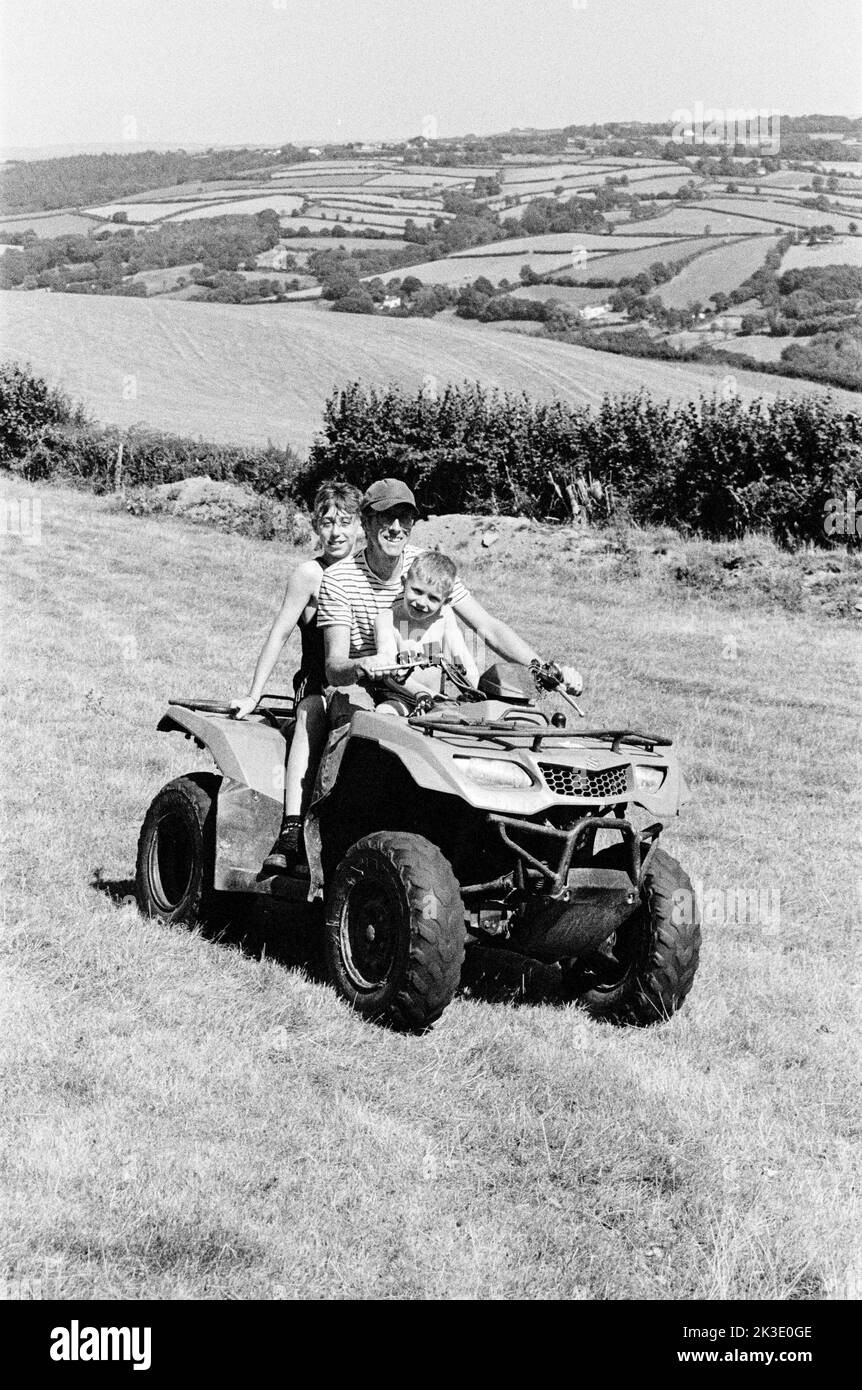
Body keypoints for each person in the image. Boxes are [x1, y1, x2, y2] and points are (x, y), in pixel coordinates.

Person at [317, 477, 581, 722]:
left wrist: (545, 669)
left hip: (422, 690)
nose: (396, 528)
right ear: (366, 522)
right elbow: (335, 666)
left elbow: (488, 628)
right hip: (360, 685)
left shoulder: (427, 571)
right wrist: (365, 665)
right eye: (387, 517)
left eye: (405, 518)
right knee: (358, 721)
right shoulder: (338, 578)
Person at [229, 480, 362, 872]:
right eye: (326, 522)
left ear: (360, 526)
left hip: (363, 684)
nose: (336, 533)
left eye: (345, 522)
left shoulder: (368, 573)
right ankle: (291, 829)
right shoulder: (309, 574)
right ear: (314, 526)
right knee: (313, 712)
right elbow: (279, 633)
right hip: (318, 681)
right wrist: (253, 696)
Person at [372, 550, 479, 715]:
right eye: (417, 591)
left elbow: (461, 660)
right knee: (384, 712)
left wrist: (474, 692)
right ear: (404, 583)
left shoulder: (444, 618)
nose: (422, 602)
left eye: (433, 599)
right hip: (399, 696)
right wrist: (424, 695)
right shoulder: (386, 620)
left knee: (458, 721)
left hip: (436, 700)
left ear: (446, 602)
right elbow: (389, 673)